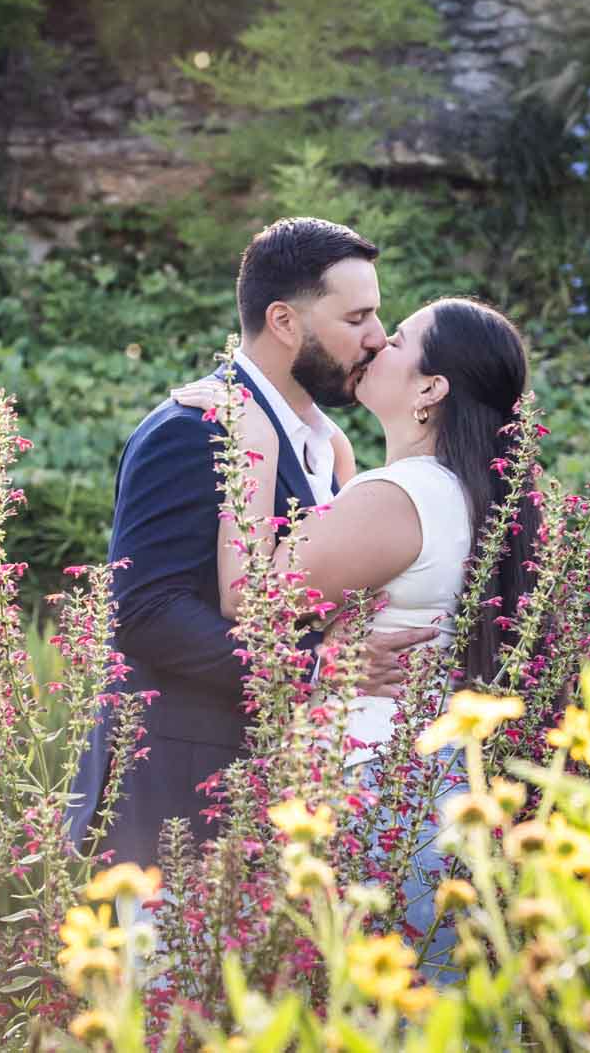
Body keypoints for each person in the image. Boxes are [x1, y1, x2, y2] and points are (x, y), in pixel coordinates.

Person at [65, 218, 441, 870]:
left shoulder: (327, 445)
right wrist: (317, 669)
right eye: (357, 318)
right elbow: (146, 613)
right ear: (285, 322)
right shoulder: (194, 427)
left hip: (269, 800)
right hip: (174, 801)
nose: (377, 338)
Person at [173, 295, 537, 955]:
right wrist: (337, 452)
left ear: (431, 386)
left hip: (381, 795)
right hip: (435, 784)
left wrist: (249, 445)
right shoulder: (455, 488)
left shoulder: (403, 495)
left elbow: (252, 595)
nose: (375, 343)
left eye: (397, 339)